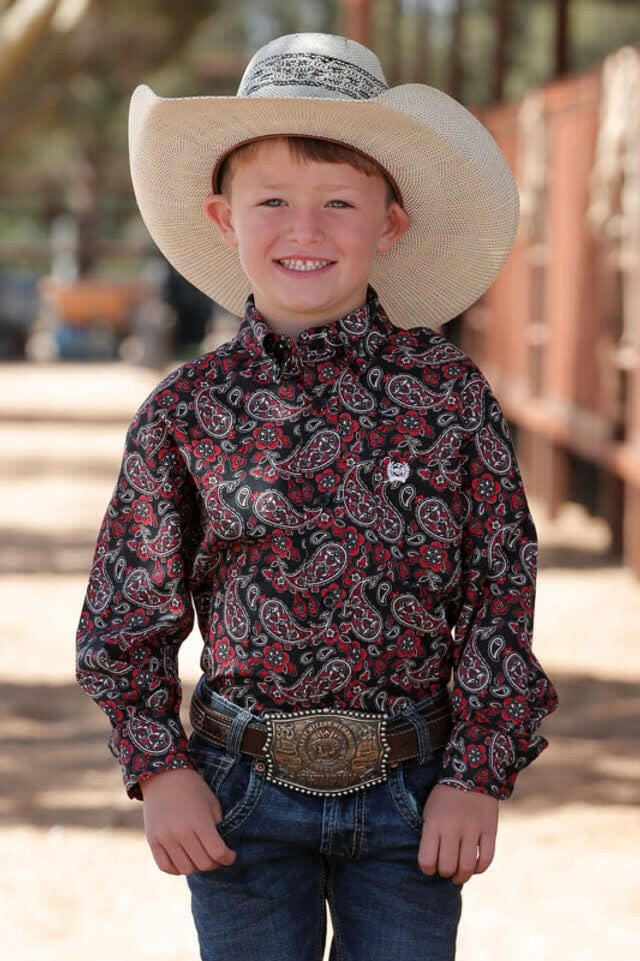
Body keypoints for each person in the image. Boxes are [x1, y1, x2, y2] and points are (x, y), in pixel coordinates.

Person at [75, 32, 559, 961]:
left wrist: (475, 771)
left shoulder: (450, 398)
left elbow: (503, 589)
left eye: (340, 201)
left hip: (414, 793)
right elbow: (127, 610)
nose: (306, 229)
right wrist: (159, 765)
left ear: (391, 222)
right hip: (237, 792)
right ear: (224, 218)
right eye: (273, 202)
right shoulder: (187, 412)